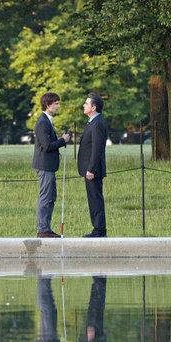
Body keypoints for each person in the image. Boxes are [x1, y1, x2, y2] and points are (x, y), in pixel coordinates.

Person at [33, 92, 70, 238]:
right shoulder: (42, 122)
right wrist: (63, 141)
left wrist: (57, 154)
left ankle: (46, 228)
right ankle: (42, 230)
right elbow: (47, 145)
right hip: (44, 166)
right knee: (45, 196)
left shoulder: (48, 120)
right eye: (56, 103)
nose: (58, 106)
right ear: (47, 105)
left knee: (50, 197)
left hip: (49, 164)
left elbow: (46, 146)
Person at [77, 93, 107, 238]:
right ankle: (98, 229)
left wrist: (91, 169)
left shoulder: (98, 123)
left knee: (96, 199)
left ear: (93, 108)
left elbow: (98, 148)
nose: (84, 105)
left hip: (93, 170)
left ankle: (99, 231)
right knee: (93, 199)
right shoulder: (93, 121)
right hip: (90, 169)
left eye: (86, 103)